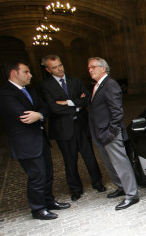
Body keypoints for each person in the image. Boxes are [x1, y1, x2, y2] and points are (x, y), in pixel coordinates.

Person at [0, 60, 70, 220]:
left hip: (40, 139)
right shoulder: (5, 93)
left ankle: (49, 201)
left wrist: (40, 115)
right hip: (26, 143)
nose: (30, 75)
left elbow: (44, 108)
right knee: (37, 176)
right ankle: (38, 208)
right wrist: (37, 114)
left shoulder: (29, 90)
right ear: (14, 73)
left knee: (48, 172)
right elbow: (23, 116)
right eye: (26, 72)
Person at [39, 54, 106, 201]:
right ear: (48, 69)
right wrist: (76, 106)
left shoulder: (75, 81)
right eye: (54, 67)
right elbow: (52, 108)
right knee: (70, 160)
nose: (59, 69)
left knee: (90, 156)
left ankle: (98, 182)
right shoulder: (45, 86)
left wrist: (67, 103)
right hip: (63, 129)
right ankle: (75, 189)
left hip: (81, 125)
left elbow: (87, 99)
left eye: (60, 65)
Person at [87, 57, 139, 210]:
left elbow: (117, 112)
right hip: (100, 133)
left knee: (120, 163)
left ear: (103, 68)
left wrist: (112, 132)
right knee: (110, 164)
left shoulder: (110, 85)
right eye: (89, 68)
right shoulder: (98, 85)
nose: (90, 70)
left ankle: (132, 194)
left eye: (93, 67)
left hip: (110, 133)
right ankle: (121, 187)